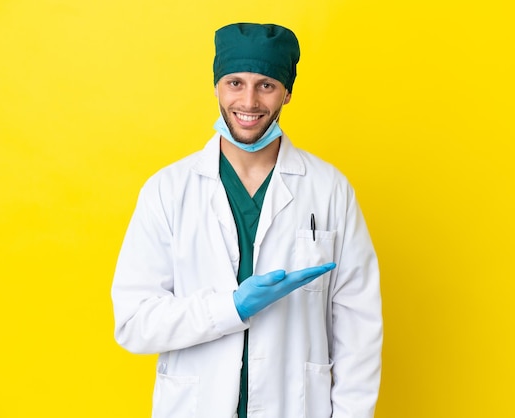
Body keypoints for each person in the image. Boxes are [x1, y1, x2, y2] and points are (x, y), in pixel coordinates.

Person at [111, 22, 383, 418]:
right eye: (235, 83)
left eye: (266, 85)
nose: (249, 101)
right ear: (217, 86)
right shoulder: (168, 190)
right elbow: (134, 322)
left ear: (287, 92)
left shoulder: (329, 190)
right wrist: (231, 308)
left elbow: (359, 331)